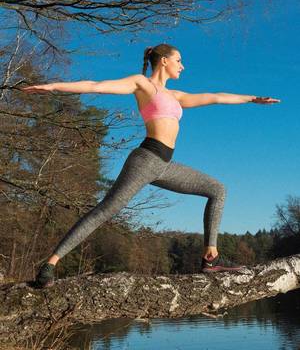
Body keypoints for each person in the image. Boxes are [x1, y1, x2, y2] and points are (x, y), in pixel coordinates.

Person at [21, 43, 280, 287]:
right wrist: (53, 86)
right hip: (145, 160)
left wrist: (252, 98)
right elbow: (96, 85)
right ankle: (50, 264)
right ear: (164, 60)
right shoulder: (142, 84)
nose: (183, 66)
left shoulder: (176, 95)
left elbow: (215, 97)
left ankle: (210, 258)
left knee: (217, 189)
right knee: (105, 211)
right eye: (179, 61)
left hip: (165, 165)